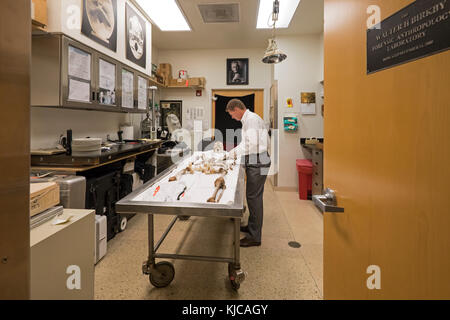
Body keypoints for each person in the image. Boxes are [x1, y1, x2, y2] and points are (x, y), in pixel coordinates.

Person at [226, 99, 271, 247]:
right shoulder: (249, 120)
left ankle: (254, 237)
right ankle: (252, 227)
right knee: (252, 196)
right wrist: (232, 152)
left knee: (254, 197)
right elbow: (245, 144)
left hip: (258, 160)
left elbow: (251, 145)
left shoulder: (251, 120)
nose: (232, 117)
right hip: (257, 158)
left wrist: (232, 154)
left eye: (232, 114)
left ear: (237, 109)